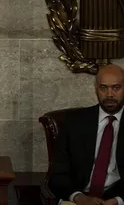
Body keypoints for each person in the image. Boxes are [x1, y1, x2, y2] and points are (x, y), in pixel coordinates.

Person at [49, 64, 124, 205]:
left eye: (116, 87)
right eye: (103, 87)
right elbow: (57, 174)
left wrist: (117, 200)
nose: (109, 94)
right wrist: (78, 197)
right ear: (96, 89)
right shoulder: (74, 122)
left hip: (117, 199)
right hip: (76, 198)